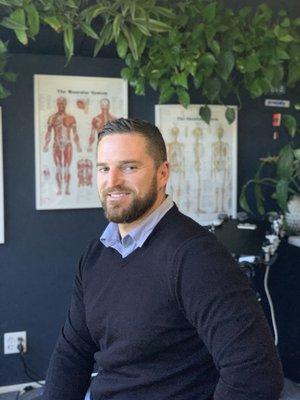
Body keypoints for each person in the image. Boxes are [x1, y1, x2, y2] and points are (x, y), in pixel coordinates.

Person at [44, 118, 284, 400]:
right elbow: (72, 352)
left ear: (162, 173)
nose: (112, 181)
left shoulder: (197, 257)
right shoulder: (96, 255)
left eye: (129, 167)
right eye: (104, 169)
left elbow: (255, 375)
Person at [43, 97, 82, 195]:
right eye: (59, 103)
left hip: (68, 144)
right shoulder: (52, 118)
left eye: (63, 103)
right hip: (56, 144)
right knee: (58, 168)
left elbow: (75, 133)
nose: (61, 105)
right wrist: (46, 144)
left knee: (67, 168)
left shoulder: (71, 118)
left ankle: (67, 189)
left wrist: (78, 145)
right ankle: (60, 189)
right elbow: (48, 133)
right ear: (57, 104)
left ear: (65, 104)